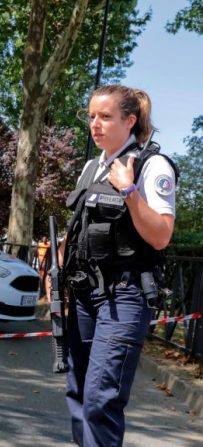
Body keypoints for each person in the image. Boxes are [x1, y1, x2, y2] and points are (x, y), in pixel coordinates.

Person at [57, 85, 177, 446]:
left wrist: (129, 191)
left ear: (130, 120)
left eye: (105, 116)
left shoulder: (151, 165)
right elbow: (77, 228)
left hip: (124, 297)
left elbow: (160, 236)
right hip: (83, 294)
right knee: (78, 392)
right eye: (91, 116)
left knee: (100, 399)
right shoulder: (92, 166)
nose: (95, 124)